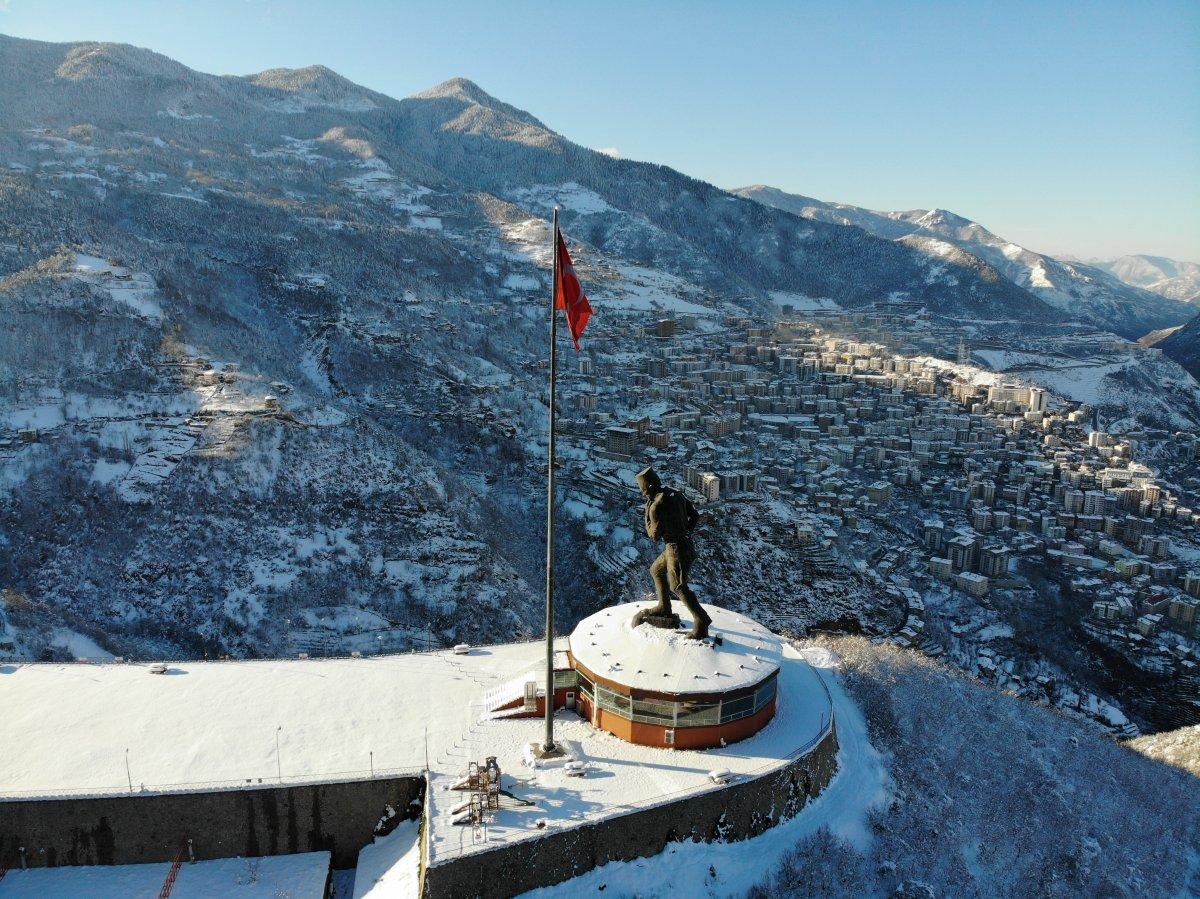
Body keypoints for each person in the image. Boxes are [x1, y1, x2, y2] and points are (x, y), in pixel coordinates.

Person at [631, 466, 711, 639]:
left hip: (675, 548)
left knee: (678, 586)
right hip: (681, 543)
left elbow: (653, 535)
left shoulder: (656, 506)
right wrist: (684, 531)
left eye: (645, 493)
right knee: (656, 570)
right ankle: (664, 607)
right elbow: (695, 516)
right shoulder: (675, 493)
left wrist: (648, 513)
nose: (645, 496)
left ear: (650, 487)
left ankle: (702, 620)